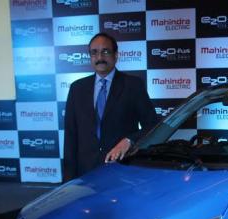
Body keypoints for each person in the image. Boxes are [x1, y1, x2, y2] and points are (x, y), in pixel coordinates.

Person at [63, 32, 158, 181]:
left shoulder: (133, 85)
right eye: (94, 52)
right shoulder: (77, 88)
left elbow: (153, 126)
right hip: (85, 174)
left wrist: (129, 140)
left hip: (121, 170)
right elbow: (70, 136)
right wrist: (68, 180)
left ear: (116, 55)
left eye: (105, 51)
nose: (100, 57)